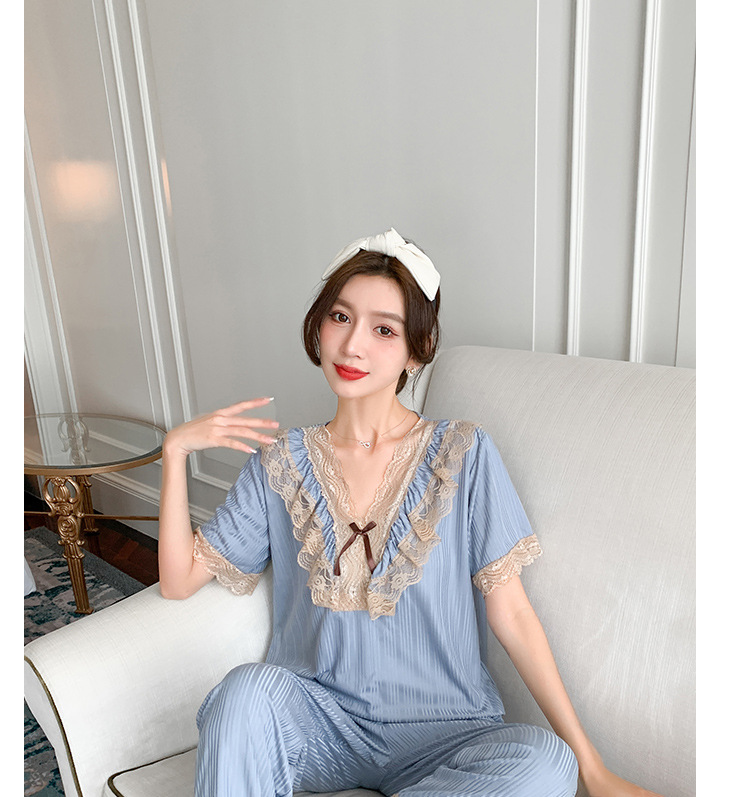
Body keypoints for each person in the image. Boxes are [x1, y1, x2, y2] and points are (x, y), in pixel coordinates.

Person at [158, 229, 661, 797]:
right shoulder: (280, 464)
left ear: (416, 350)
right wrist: (175, 453)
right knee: (243, 693)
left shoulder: (462, 455)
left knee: (545, 761)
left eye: (384, 330)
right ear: (319, 326)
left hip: (447, 733)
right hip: (318, 723)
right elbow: (178, 581)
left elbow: (514, 614)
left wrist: (591, 766)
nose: (352, 346)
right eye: (340, 317)